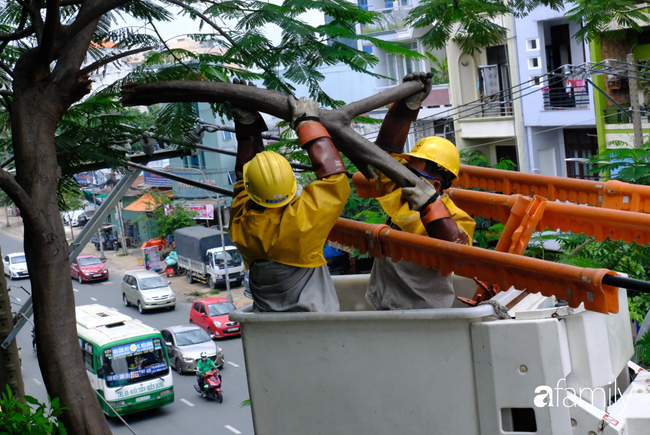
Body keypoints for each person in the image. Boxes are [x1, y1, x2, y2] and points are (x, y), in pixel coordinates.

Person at [227, 79, 350, 313]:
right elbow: (337, 181)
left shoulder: (242, 224)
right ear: (292, 184)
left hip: (273, 331)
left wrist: (247, 125)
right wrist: (308, 124)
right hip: (318, 326)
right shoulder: (303, 222)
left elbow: (243, 180)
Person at [363, 72, 476, 310]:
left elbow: (460, 252)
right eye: (405, 169)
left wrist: (430, 207)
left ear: (435, 186)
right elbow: (384, 153)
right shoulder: (402, 193)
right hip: (381, 307)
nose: (401, 175)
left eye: (411, 173)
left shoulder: (457, 218)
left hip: (424, 315)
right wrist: (405, 107)